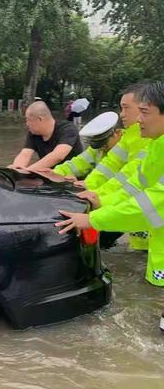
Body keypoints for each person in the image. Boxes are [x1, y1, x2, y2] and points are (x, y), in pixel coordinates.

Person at [56, 81, 164, 290]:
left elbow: (152, 203)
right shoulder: (156, 145)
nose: (137, 119)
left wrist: (93, 219)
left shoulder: (150, 143)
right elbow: (133, 185)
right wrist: (100, 200)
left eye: (145, 112)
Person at [75, 84, 152, 250]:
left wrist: (99, 202)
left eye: (126, 108)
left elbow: (132, 178)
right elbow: (111, 167)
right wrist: (90, 188)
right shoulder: (132, 135)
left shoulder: (151, 141)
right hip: (133, 211)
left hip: (138, 211)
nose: (122, 114)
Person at [11, 101, 82, 171]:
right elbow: (25, 154)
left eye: (28, 120)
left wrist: (28, 170)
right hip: (49, 174)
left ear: (40, 119)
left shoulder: (68, 129)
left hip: (73, 177)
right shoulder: (34, 133)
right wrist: (16, 169)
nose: (26, 123)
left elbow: (58, 155)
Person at [52, 111, 120, 180]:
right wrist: (56, 173)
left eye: (104, 143)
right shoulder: (97, 150)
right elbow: (78, 163)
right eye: (98, 144)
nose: (102, 147)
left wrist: (87, 183)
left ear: (117, 133)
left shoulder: (127, 149)